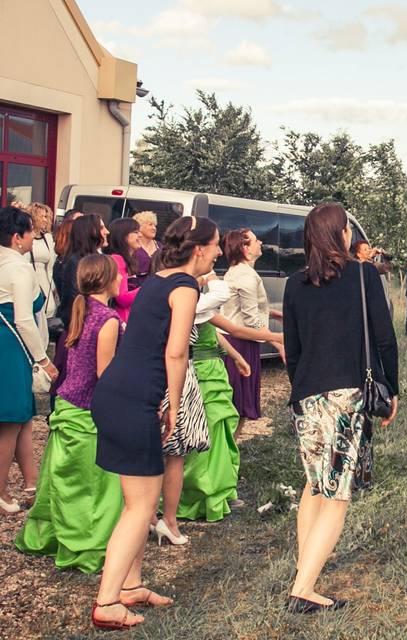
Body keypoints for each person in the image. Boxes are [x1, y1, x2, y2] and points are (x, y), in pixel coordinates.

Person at [89, 216, 216, 630]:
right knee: (142, 506)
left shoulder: (158, 278)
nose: (218, 253)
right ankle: (107, 603)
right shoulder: (184, 288)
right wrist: (174, 406)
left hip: (115, 393)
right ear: (199, 249)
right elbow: (176, 353)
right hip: (134, 400)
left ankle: (130, 585)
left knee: (136, 503)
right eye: (214, 246)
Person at [282, 202, 398, 613]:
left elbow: (291, 350)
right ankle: (303, 590)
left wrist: (301, 389)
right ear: (342, 234)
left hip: (306, 397)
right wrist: (392, 389)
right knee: (336, 497)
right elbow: (384, 339)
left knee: (315, 485)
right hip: (346, 397)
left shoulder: (295, 284)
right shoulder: (364, 277)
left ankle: (304, 574)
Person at [15, 254, 123, 571]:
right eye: (117, 276)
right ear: (107, 281)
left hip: (65, 403)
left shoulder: (82, 308)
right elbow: (106, 375)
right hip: (87, 409)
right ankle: (85, 544)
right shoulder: (107, 318)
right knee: (89, 482)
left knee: (60, 476)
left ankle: (50, 534)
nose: (121, 280)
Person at [176, 276, 283, 524]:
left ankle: (222, 490)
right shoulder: (192, 304)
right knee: (207, 436)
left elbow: (217, 331)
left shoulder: (199, 306)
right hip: (202, 374)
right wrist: (277, 338)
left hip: (215, 369)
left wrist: (235, 356)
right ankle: (203, 495)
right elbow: (235, 329)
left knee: (223, 433)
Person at [0, 207, 58, 514]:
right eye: (29, 234)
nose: (32, 239)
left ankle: (31, 480)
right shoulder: (19, 268)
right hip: (11, 346)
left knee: (21, 418)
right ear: (17, 237)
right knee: (10, 421)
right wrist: (43, 360)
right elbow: (24, 319)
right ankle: (0, 494)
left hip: (7, 343)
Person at [221, 228, 283, 433]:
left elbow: (247, 308)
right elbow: (250, 319)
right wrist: (277, 343)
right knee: (238, 407)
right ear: (245, 248)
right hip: (241, 343)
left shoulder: (236, 271)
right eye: (256, 240)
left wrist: (276, 315)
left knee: (236, 406)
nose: (261, 243)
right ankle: (229, 457)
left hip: (234, 340)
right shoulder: (246, 276)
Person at [50, 214, 108, 406]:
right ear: (90, 232)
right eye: (101, 227)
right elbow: (74, 302)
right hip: (79, 334)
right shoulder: (75, 262)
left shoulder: (96, 258)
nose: (106, 231)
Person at [26, 203, 58, 346]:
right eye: (42, 216)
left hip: (45, 282)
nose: (45, 219)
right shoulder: (25, 236)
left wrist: (52, 289)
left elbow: (50, 267)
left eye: (47, 216)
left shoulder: (48, 238)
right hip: (30, 280)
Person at [106, 218, 141, 324]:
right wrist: (147, 287)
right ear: (122, 236)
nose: (140, 235)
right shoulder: (117, 259)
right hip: (122, 319)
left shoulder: (128, 260)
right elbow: (122, 298)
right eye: (135, 232)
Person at [132, 211, 161, 284]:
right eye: (150, 224)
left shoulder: (160, 246)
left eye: (155, 225)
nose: (154, 228)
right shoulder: (133, 246)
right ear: (140, 226)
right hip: (136, 288)